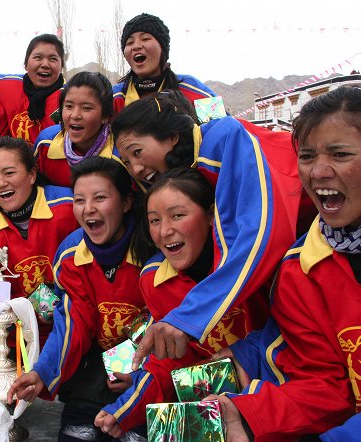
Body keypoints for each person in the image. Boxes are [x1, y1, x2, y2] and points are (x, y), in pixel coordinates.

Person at [207, 86, 361, 441]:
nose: (318, 172)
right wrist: (247, 415)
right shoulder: (299, 269)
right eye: (306, 156)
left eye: (339, 154)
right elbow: (325, 386)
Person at [112, 91, 303, 364]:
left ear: (171, 137)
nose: (137, 169)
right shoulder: (179, 176)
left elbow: (259, 235)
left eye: (137, 153)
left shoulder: (224, 138)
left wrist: (188, 317)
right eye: (127, 162)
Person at [93, 167, 269, 437]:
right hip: (210, 402)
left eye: (178, 215)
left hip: (272, 399)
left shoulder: (251, 264)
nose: (165, 231)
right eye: (154, 220)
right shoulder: (154, 280)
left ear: (211, 215)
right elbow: (174, 360)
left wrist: (247, 356)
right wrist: (126, 407)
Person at [7, 157, 151, 442]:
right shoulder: (71, 253)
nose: (88, 209)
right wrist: (41, 373)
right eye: (79, 199)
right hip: (97, 362)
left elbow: (165, 319)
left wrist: (139, 372)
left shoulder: (152, 249)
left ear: (126, 203)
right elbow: (73, 321)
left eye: (100, 198)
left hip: (148, 366)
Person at [0, 136, 78, 335]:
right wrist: (22, 309)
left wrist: (51, 299)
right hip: (18, 336)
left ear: (32, 174)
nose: (0, 183)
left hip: (75, 325)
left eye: (9, 173)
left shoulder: (69, 207)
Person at [112, 13, 216, 115]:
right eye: (130, 42)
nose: (136, 46)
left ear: (163, 48)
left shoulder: (191, 88)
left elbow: (221, 125)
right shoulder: (116, 96)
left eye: (145, 39)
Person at [34, 72, 122, 187]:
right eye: (69, 106)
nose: (75, 115)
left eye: (86, 108)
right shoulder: (45, 143)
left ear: (105, 116)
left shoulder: (120, 154)